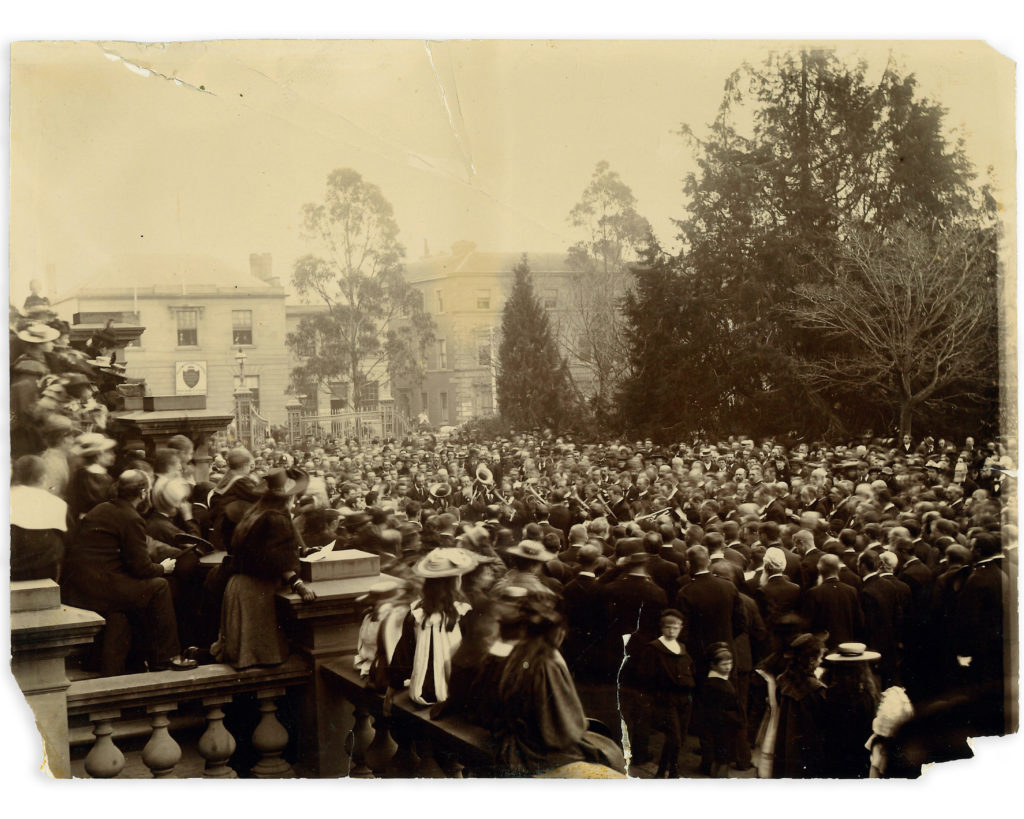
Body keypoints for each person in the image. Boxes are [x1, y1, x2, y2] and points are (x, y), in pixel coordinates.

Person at [61, 470, 193, 675]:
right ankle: (166, 658)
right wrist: (163, 568)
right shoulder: (131, 518)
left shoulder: (101, 509)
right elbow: (141, 568)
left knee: (133, 601)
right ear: (143, 493)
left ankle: (137, 661)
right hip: (104, 589)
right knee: (160, 586)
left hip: (82, 587)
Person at [488, 591, 626, 776]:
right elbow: (565, 727)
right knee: (608, 756)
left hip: (518, 736)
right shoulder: (546, 663)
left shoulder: (517, 653)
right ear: (555, 633)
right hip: (533, 749)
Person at [212, 468, 316, 669]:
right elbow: (276, 559)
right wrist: (299, 584)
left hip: (240, 587)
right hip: (255, 593)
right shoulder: (276, 519)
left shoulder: (255, 512)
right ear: (287, 498)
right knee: (261, 659)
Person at [387, 547, 477, 707]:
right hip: (453, 696)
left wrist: (390, 692)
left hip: (420, 694)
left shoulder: (417, 614)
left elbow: (402, 657)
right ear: (455, 582)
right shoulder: (463, 613)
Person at [641, 609, 695, 778]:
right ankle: (674, 770)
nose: (672, 631)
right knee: (675, 738)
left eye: (676, 627)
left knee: (678, 738)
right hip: (665, 698)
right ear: (662, 627)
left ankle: (662, 770)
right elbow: (646, 675)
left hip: (684, 699)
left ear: (681, 628)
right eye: (668, 627)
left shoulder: (682, 648)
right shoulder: (654, 648)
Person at [772, 633, 828, 778]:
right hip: (808, 745)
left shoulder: (783, 680)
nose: (821, 661)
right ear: (811, 660)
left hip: (786, 743)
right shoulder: (816, 689)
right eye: (820, 657)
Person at [821, 643, 882, 777]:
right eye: (846, 671)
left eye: (851, 671)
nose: (848, 676)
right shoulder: (835, 693)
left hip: (855, 754)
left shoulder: (866, 694)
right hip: (844, 754)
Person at [10, 454, 68, 582]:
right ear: (43, 478)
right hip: (45, 569)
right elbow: (67, 537)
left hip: (11, 566)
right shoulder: (57, 503)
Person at [701, 643, 744, 777]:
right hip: (722, 726)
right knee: (722, 757)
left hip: (725, 725)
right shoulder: (715, 684)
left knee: (722, 756)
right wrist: (736, 719)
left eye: (730, 663)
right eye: (724, 665)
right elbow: (718, 709)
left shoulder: (721, 680)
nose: (728, 667)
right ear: (713, 665)